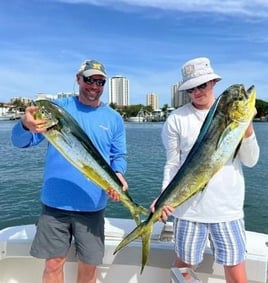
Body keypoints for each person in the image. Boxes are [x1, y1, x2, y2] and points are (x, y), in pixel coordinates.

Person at [11, 59, 128, 283]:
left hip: (92, 205)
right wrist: (25, 125)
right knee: (53, 265)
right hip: (55, 204)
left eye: (100, 81)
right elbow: (20, 142)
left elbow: (118, 157)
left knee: (89, 268)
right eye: (88, 79)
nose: (94, 85)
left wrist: (118, 174)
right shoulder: (57, 110)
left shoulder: (113, 118)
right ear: (78, 79)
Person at [155, 57, 260, 283]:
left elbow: (251, 161)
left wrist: (247, 126)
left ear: (212, 83)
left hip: (228, 210)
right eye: (191, 88)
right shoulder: (176, 119)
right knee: (183, 268)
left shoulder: (233, 116)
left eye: (202, 85)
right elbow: (173, 164)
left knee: (237, 272)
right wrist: (164, 197)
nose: (197, 91)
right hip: (188, 211)